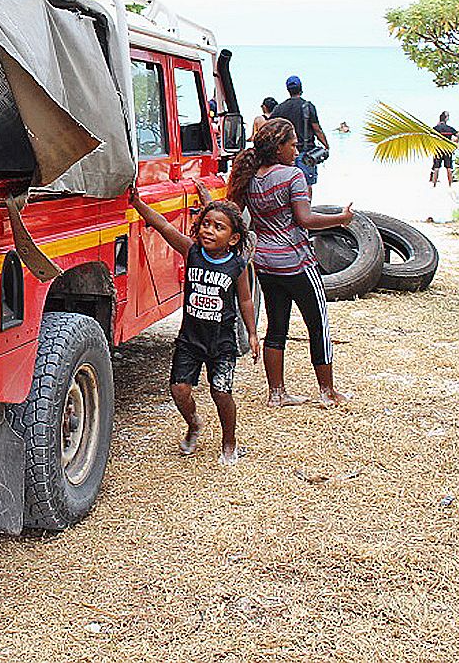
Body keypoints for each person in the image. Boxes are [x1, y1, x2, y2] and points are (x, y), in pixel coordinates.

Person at [225, 117, 353, 408]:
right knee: (318, 325)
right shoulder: (292, 176)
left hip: (267, 264)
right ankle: (327, 392)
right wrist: (342, 219)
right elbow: (305, 219)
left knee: (276, 327)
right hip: (297, 263)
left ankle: (277, 393)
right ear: (278, 147)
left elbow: (235, 213)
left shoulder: (250, 176)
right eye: (293, 145)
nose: (297, 151)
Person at [129, 190, 260, 465]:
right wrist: (139, 203)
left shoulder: (237, 265)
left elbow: (246, 300)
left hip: (221, 342)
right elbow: (163, 225)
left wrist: (252, 333)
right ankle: (193, 424)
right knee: (179, 389)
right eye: (206, 224)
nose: (209, 231)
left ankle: (229, 440)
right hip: (190, 340)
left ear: (233, 238)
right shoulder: (192, 251)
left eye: (219, 227)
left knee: (221, 392)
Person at [270, 75, 328, 186]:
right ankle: (306, 204)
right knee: (306, 185)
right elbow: (317, 129)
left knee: (287, 185)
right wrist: (326, 146)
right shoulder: (307, 106)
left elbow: (270, 128)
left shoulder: (280, 108)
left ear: (288, 90)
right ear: (301, 88)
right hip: (306, 154)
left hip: (286, 154)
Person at [430, 111, 459, 187]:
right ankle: (450, 185)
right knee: (448, 168)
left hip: (438, 149)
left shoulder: (435, 128)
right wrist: (454, 144)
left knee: (436, 167)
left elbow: (430, 137)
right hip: (447, 150)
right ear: (446, 118)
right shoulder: (450, 129)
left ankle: (434, 184)